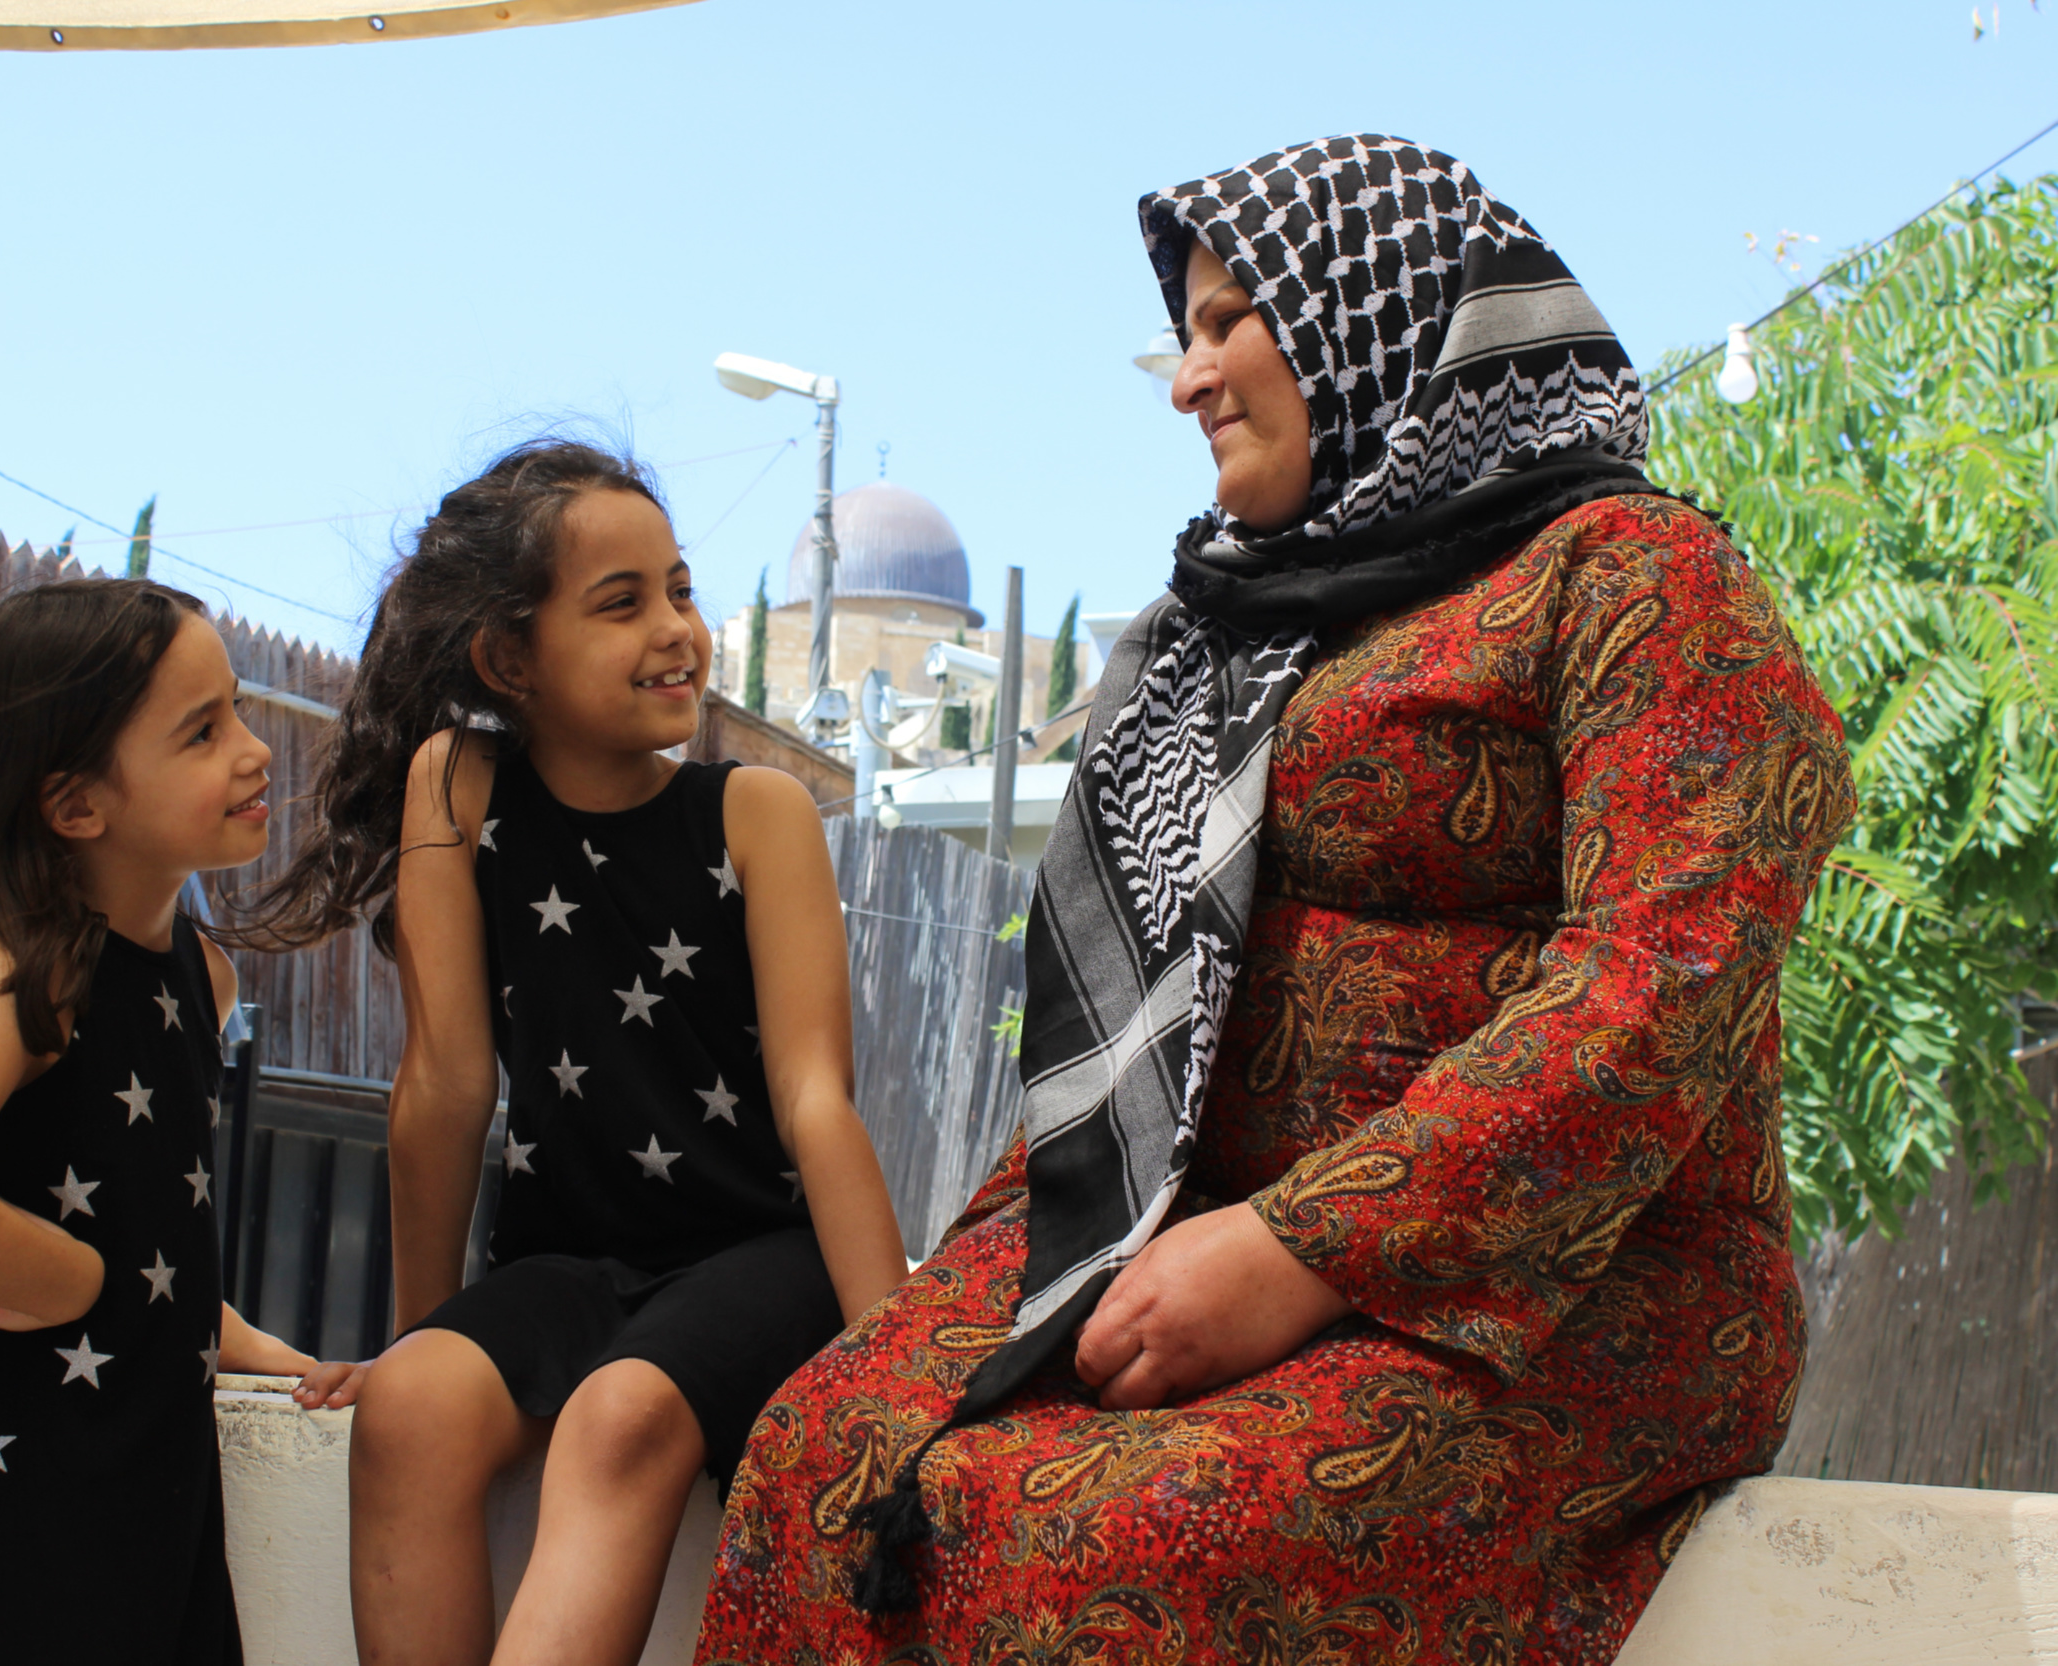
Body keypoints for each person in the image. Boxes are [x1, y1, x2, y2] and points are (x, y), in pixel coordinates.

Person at [695, 134, 1857, 1665]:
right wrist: (1004, 1275)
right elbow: (1128, 1030)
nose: (1191, 379)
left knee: (1111, 1552)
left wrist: (1304, 1249)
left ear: (1379, 320)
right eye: (1187, 333)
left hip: (1572, 1281)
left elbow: (1659, 988)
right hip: (1190, 1233)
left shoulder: (1638, 579)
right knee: (825, 1456)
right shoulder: (1222, 625)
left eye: (1235, 320)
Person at [260, 441, 908, 1666]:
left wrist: (894, 1374)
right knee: (406, 1409)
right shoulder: (454, 786)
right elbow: (445, 1086)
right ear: (510, 659)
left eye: (676, 587)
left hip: (758, 1254)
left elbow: (817, 1099)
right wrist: (422, 1339)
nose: (676, 628)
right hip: (567, 1258)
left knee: (618, 1418)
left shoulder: (754, 812)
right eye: (622, 603)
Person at [0, 577, 336, 1665]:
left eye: (237, 710)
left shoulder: (200, 976)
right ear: (73, 806)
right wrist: (65, 1281)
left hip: (142, 1472)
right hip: (11, 1486)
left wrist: (252, 1345)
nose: (255, 750)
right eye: (202, 732)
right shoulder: (25, 970)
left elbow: (152, 1222)